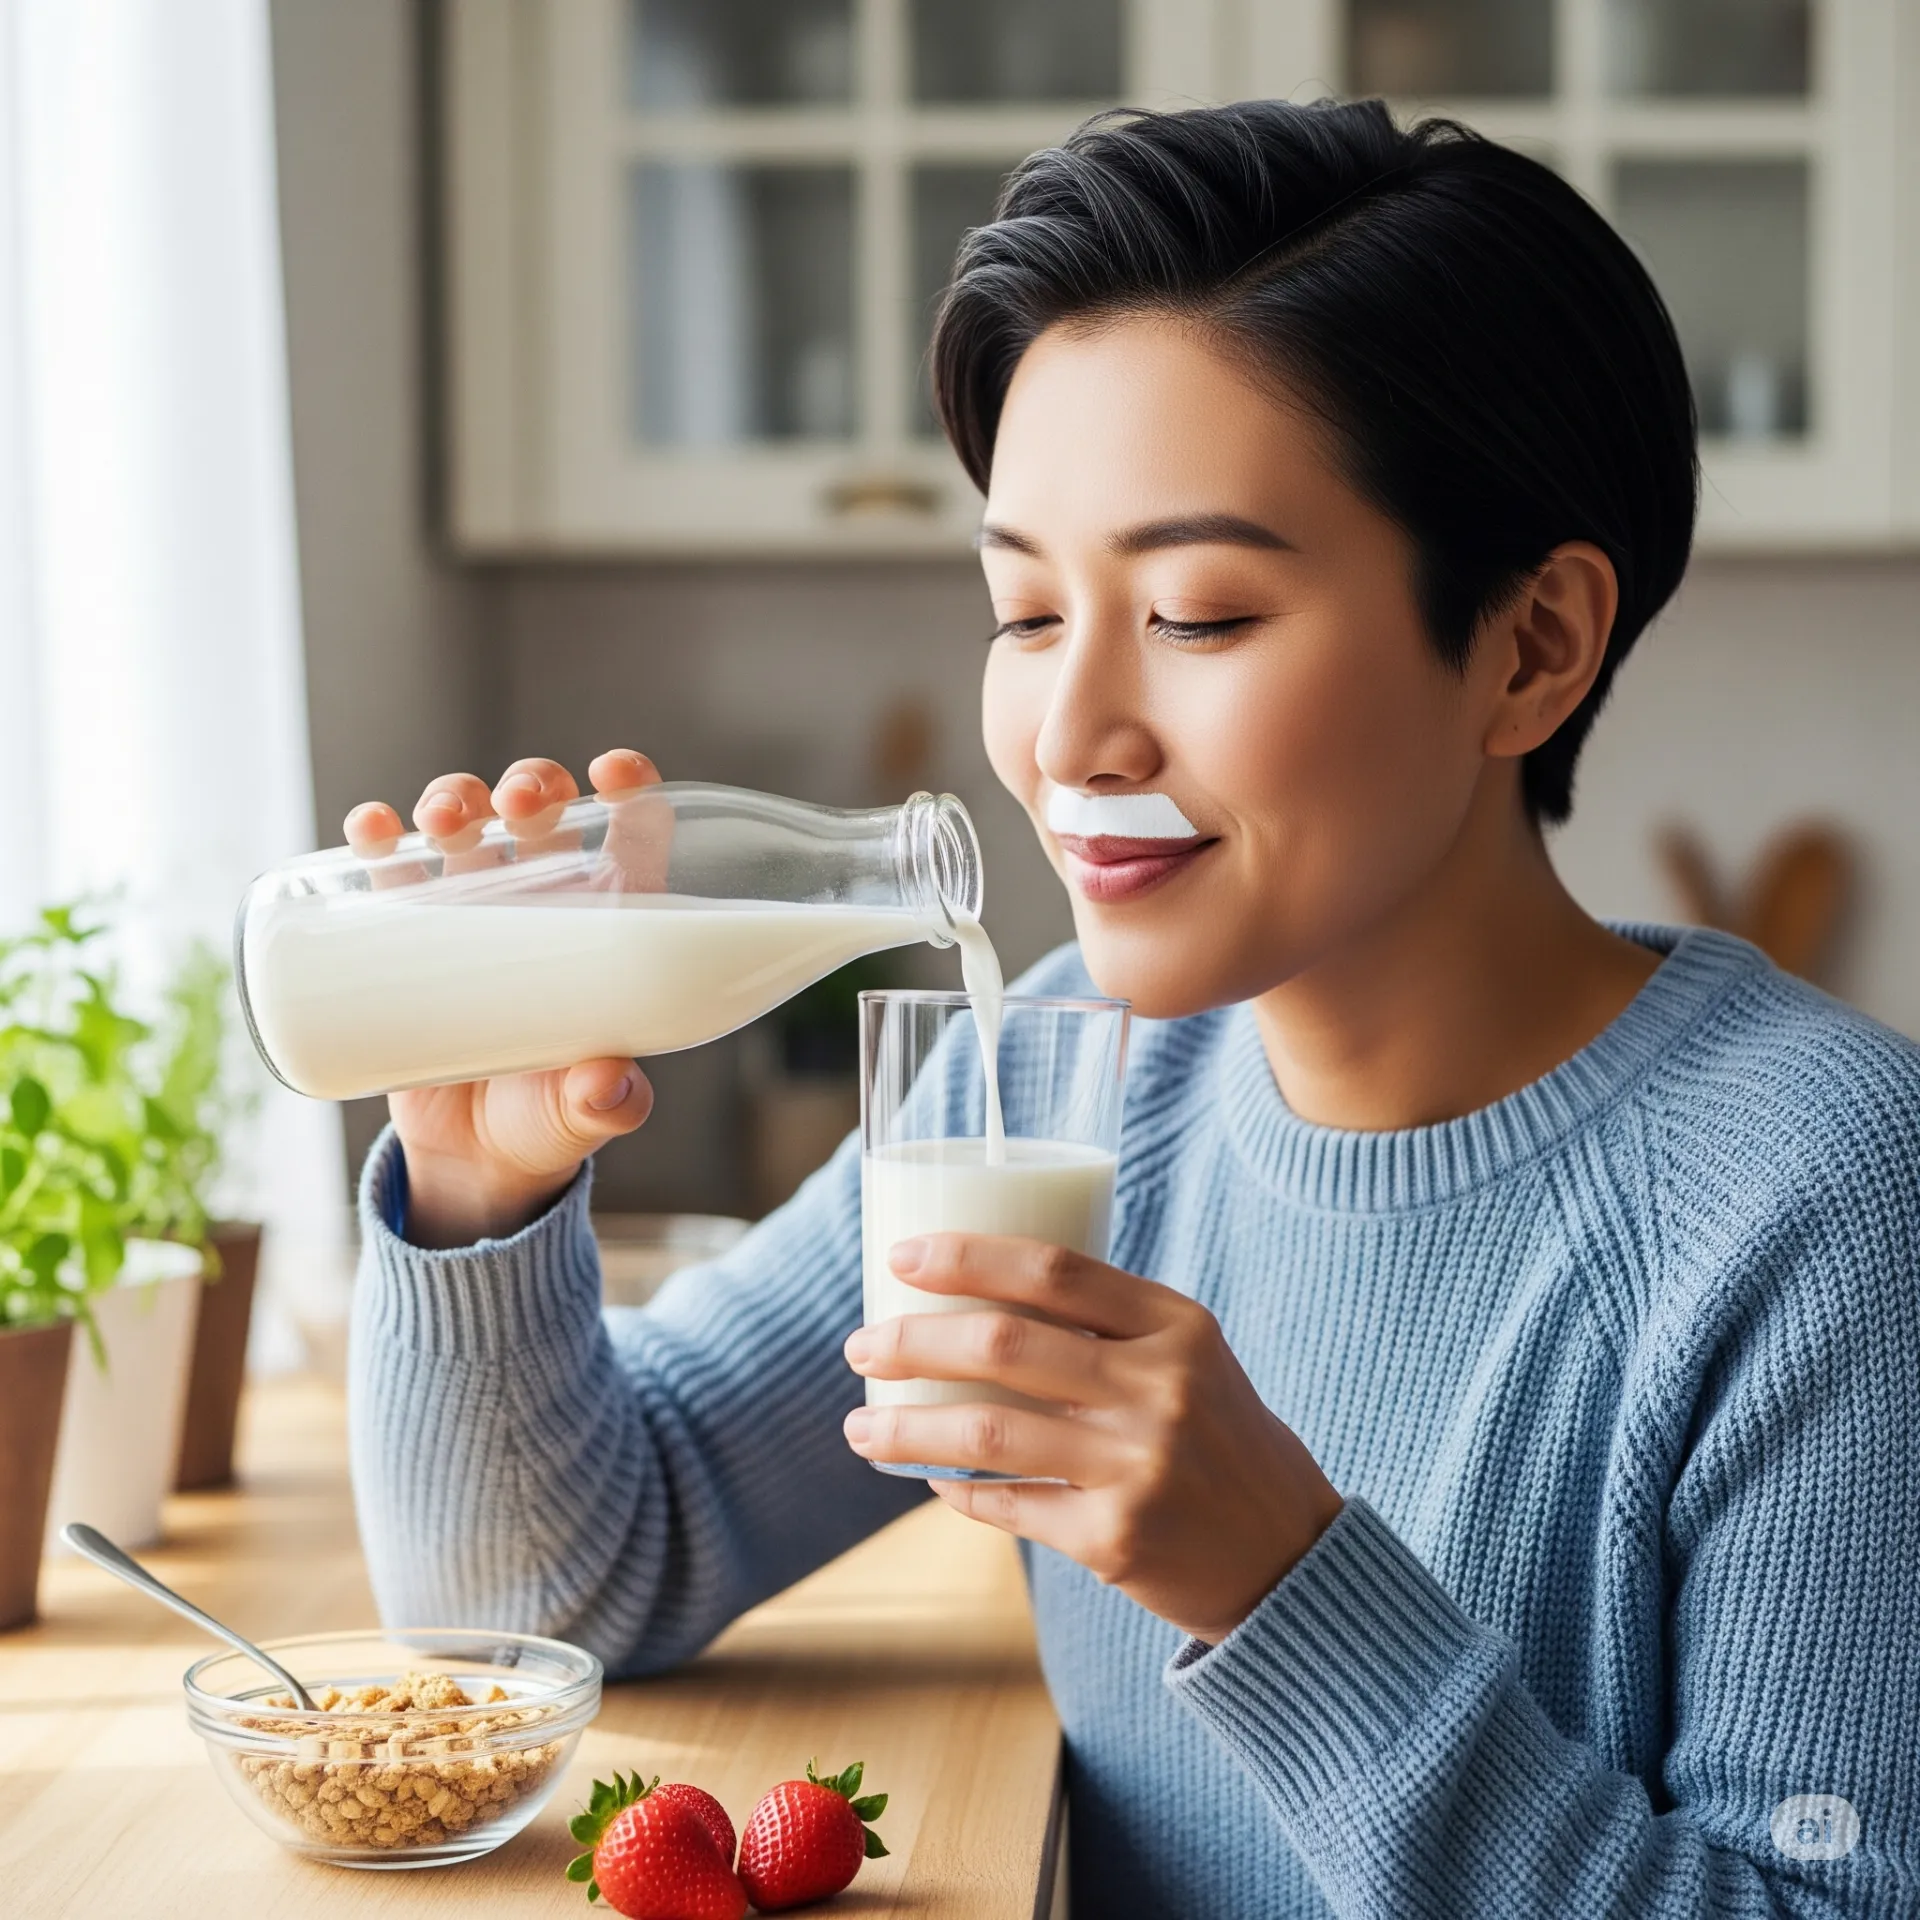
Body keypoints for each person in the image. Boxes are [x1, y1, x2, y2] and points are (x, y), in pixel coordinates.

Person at [345, 101, 1920, 1916]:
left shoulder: (1825, 1206)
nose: (1071, 741)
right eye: (1026, 612)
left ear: (1531, 647)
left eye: (1194, 614)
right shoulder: (1059, 1070)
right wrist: (481, 1187)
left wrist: (1283, 1588)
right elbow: (561, 1582)